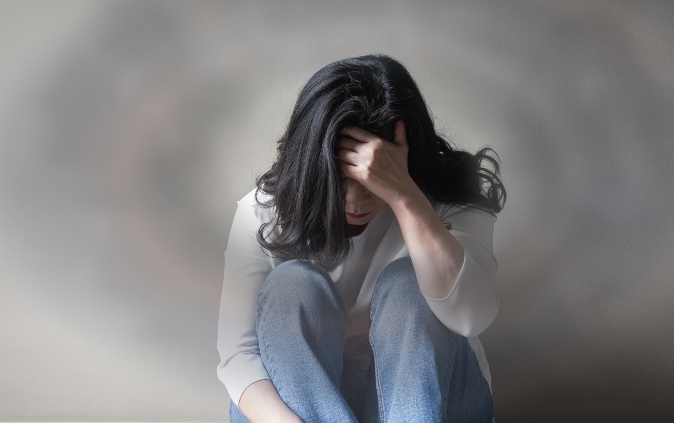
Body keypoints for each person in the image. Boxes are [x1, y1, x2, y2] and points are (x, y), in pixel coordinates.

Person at [216, 54, 506, 422]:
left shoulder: (449, 200)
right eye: (340, 177)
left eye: (374, 177)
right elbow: (238, 358)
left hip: (428, 405)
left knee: (409, 284)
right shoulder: (262, 212)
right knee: (292, 283)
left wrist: (405, 196)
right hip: (302, 409)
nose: (355, 199)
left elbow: (471, 317)